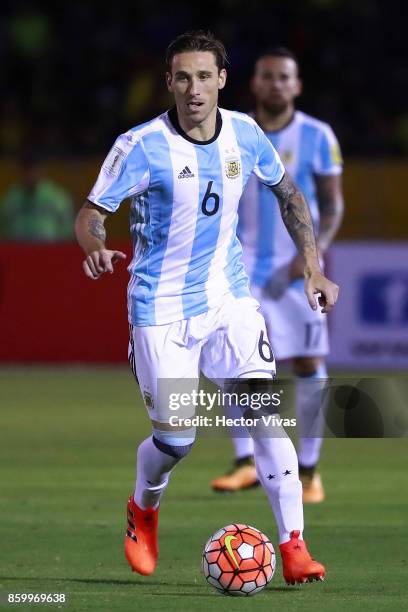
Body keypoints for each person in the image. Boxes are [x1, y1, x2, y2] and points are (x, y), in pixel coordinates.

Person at [75, 31, 338, 584]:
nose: (193, 89)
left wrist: (313, 265)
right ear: (169, 82)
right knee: (177, 439)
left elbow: (289, 194)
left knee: (266, 416)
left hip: (229, 299)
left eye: (204, 76)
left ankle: (293, 546)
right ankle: (144, 509)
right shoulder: (140, 145)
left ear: (222, 79)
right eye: (182, 77)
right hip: (160, 307)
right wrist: (95, 246)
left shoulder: (245, 132)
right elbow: (92, 212)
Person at [211, 48, 344, 502]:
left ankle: (308, 472)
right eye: (267, 76)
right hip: (236, 268)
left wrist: (312, 257)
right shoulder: (232, 129)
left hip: (294, 271)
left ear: (297, 85)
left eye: (284, 77)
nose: (275, 84)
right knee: (238, 363)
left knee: (306, 363)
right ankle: (246, 461)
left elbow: (333, 204)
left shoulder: (317, 135)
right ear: (254, 83)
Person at [0, 152, 74, 241]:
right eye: (26, 169)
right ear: (20, 171)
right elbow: (3, 229)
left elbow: (68, 230)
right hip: (17, 250)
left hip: (51, 250)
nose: (30, 173)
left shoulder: (56, 197)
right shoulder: (11, 198)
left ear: (41, 170)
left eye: (33, 169)